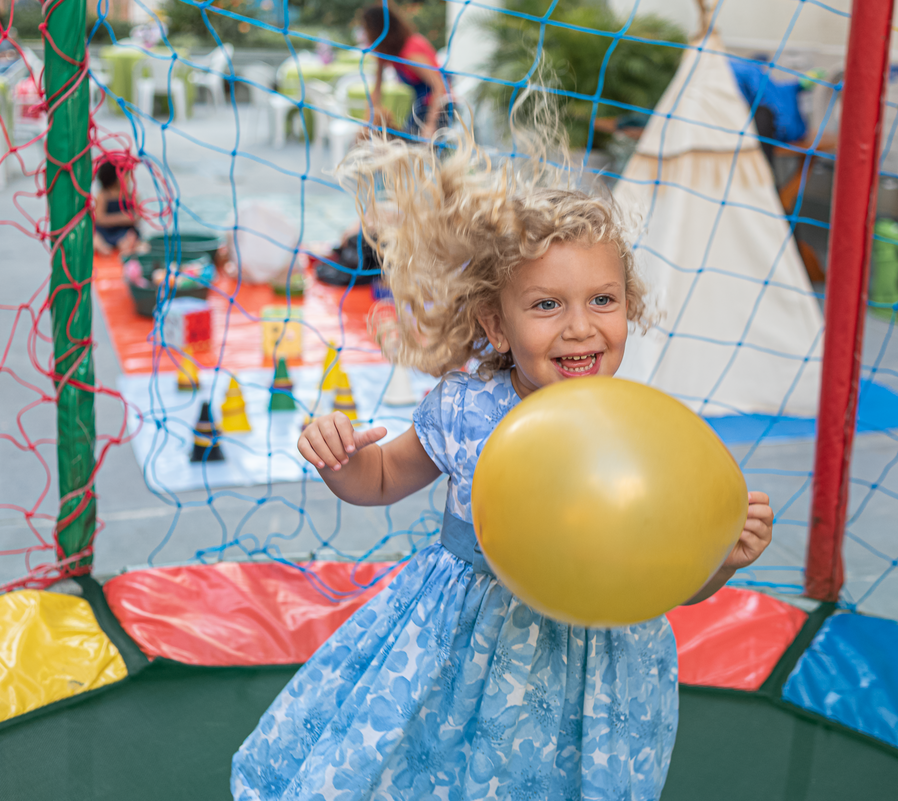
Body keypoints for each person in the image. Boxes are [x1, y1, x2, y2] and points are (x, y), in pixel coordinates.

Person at [230, 112, 775, 800]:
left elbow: (669, 583)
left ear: (627, 307)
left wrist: (721, 560)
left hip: (588, 672)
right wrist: (341, 459)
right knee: (436, 768)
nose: (580, 325)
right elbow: (382, 477)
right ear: (496, 322)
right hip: (459, 646)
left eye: (602, 299)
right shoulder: (465, 405)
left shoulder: (642, 434)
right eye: (547, 304)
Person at [356, 4, 450, 138]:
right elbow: (376, 90)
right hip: (421, 104)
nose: (364, 35)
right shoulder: (387, 53)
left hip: (440, 105)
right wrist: (367, 121)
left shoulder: (410, 51)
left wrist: (430, 125)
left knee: (412, 146)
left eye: (366, 30)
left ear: (378, 31)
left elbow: (440, 86)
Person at [92, 161, 143, 255]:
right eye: (126, 175)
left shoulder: (132, 195)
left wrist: (132, 218)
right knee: (95, 237)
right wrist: (123, 218)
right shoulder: (103, 195)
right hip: (104, 231)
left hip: (123, 231)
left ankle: (123, 249)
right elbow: (99, 218)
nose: (129, 179)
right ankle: (104, 248)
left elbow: (138, 216)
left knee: (130, 237)